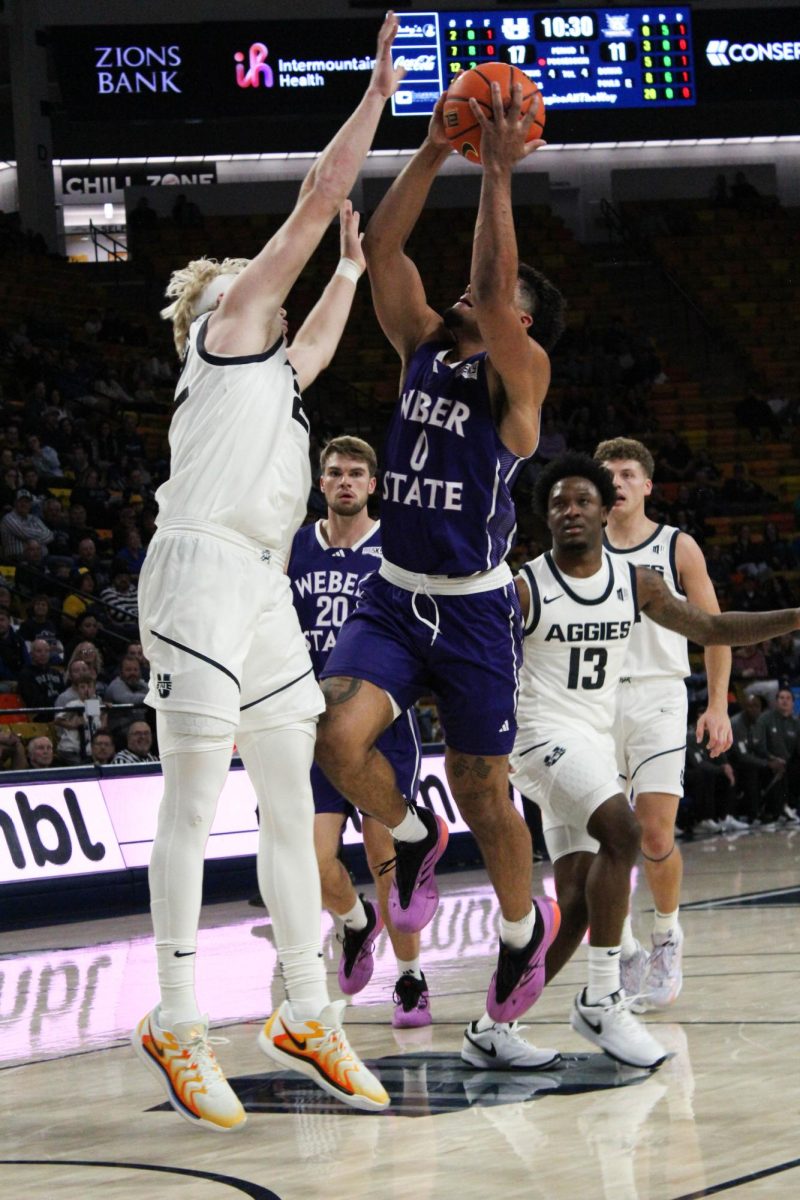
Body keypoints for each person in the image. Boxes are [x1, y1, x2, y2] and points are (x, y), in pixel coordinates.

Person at [131, 15, 405, 1132]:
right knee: (196, 804)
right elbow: (309, 199)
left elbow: (319, 348)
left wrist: (347, 268)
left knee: (291, 806)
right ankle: (177, 1017)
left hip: (259, 588)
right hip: (195, 574)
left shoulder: (272, 375)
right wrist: (375, 101)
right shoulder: (227, 328)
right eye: (256, 277)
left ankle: (304, 1008)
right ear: (215, 307)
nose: (271, 283)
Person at [315, 79, 566, 1064]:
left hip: (470, 612)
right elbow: (380, 253)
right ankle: (409, 835)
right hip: (392, 594)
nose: (470, 299)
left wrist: (496, 177)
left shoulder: (522, 386)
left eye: (497, 302)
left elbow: (497, 294)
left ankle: (517, 937)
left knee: (486, 792)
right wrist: (428, 149)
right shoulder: (421, 347)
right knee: (335, 739)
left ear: (523, 330)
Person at [511, 452, 800, 1067]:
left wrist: (792, 618)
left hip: (638, 709)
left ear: (617, 498)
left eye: (585, 498)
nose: (575, 509)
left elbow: (713, 625)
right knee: (625, 832)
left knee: (579, 899)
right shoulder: (524, 585)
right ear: (544, 514)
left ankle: (494, 1022)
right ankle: (603, 992)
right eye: (560, 502)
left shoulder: (642, 575)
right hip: (545, 737)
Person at [289, 435, 429, 1028]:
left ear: (373, 485)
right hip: (307, 724)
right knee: (310, 861)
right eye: (334, 472)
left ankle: (410, 978)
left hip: (381, 724)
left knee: (385, 857)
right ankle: (353, 922)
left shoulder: (395, 547)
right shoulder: (293, 547)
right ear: (320, 484)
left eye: (356, 473)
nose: (345, 481)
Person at [595, 436, 733, 1010]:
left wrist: (719, 703)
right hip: (593, 704)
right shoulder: (576, 549)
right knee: (603, 836)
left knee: (653, 833)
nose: (619, 483)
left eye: (629, 473)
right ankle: (624, 950)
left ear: (647, 485)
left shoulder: (678, 547)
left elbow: (715, 630)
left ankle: (666, 934)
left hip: (658, 696)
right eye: (610, 474)